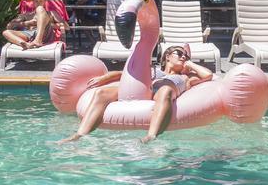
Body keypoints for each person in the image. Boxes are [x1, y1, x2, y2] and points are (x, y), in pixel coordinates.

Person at [58, 44, 214, 144]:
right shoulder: (153, 70)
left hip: (161, 93)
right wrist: (105, 77)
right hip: (142, 91)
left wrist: (190, 64)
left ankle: (150, 136)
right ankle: (80, 134)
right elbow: (125, 74)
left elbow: (207, 76)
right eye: (179, 53)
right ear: (167, 56)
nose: (182, 56)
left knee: (165, 90)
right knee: (102, 92)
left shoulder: (185, 78)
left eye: (185, 56)